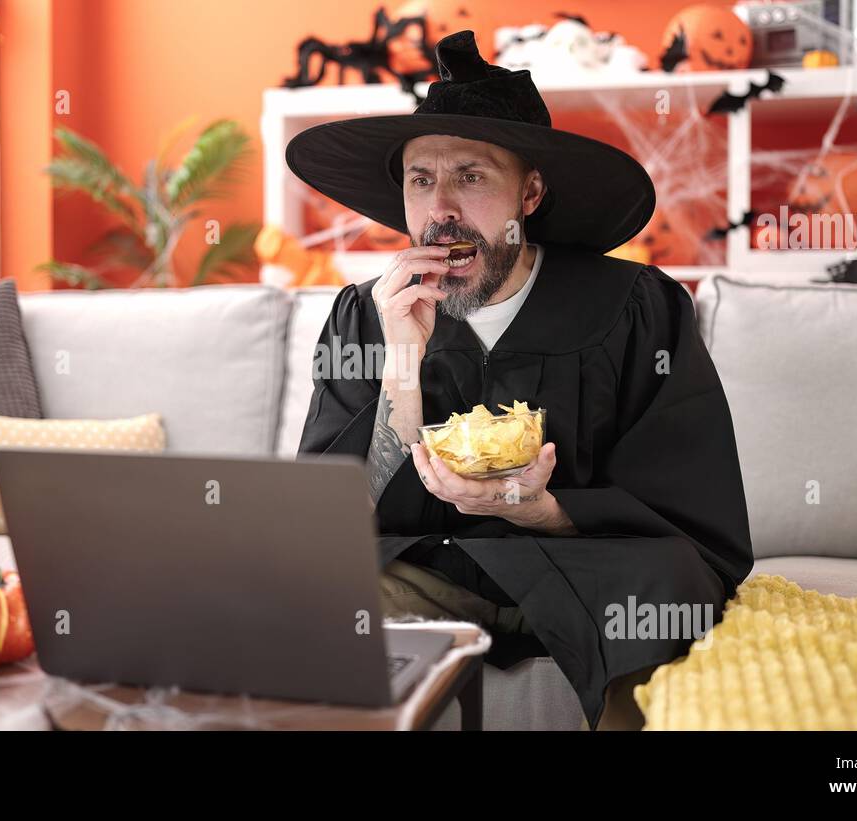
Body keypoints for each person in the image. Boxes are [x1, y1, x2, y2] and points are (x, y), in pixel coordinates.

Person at [287, 30, 753, 730]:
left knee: (675, 585)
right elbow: (323, 526)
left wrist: (542, 510)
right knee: (302, 591)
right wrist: (403, 369)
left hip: (584, 575)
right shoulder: (365, 316)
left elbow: (698, 529)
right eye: (421, 179)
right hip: (428, 577)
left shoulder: (637, 310)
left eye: (470, 176)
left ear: (528, 192)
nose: (441, 207)